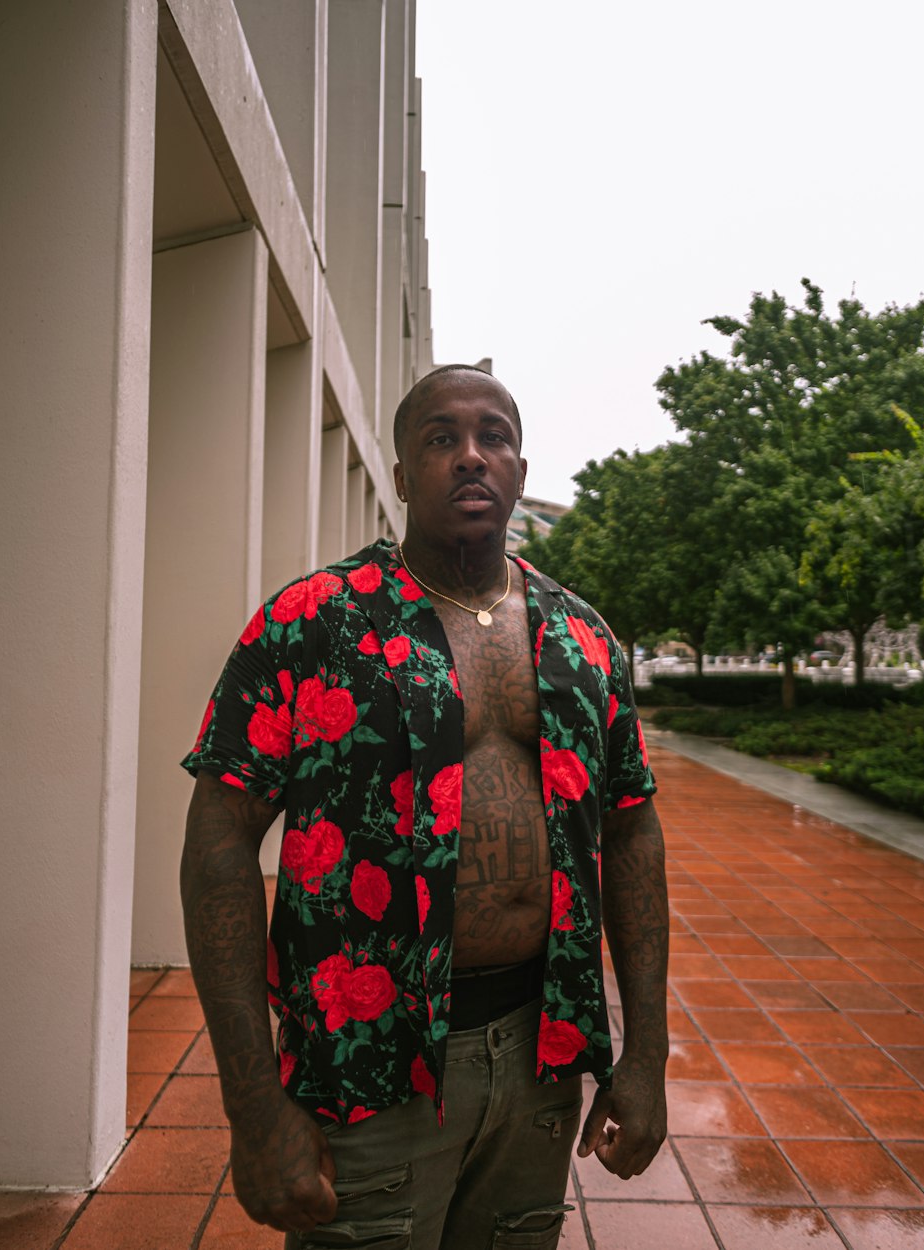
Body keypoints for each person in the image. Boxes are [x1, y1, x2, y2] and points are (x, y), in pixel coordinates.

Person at [180, 365, 668, 1249]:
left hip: (541, 1049)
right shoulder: (310, 622)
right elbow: (218, 842)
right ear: (401, 475)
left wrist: (648, 1058)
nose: (471, 457)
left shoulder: (583, 635)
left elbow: (633, 832)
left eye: (494, 437)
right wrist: (252, 1105)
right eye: (441, 439)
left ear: (520, 468)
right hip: (371, 1064)